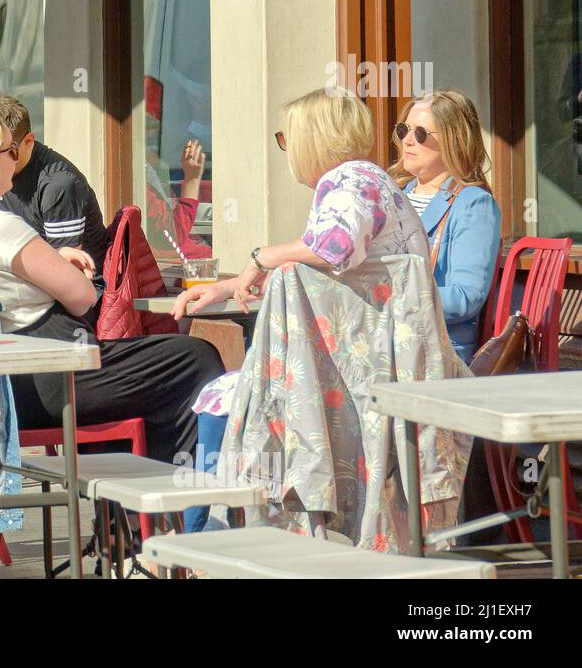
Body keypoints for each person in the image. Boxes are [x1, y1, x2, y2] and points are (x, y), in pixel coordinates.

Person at [173, 87, 472, 548]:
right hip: (375, 366)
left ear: (312, 139)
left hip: (362, 378)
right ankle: (216, 541)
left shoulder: (350, 181)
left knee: (225, 398)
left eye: (286, 138)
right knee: (234, 392)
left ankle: (206, 547)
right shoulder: (363, 180)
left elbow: (335, 248)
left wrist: (263, 256)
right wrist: (235, 283)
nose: (286, 149)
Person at [0, 110, 224, 469]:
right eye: (8, 151)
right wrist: (64, 268)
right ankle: (181, 509)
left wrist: (53, 258)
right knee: (193, 358)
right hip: (48, 381)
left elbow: (3, 281)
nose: (16, 159)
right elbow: (83, 298)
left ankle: (132, 512)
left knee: (148, 371)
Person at [0, 94, 112, 324]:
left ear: (28, 141)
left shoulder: (58, 185)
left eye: (9, 152)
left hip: (73, 305)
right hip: (16, 293)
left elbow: (69, 278)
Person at [390, 90, 501, 364]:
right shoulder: (395, 193)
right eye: (403, 129)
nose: (407, 140)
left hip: (434, 349)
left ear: (454, 139)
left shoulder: (473, 203)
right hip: (386, 338)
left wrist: (390, 296)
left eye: (420, 133)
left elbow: (466, 297)